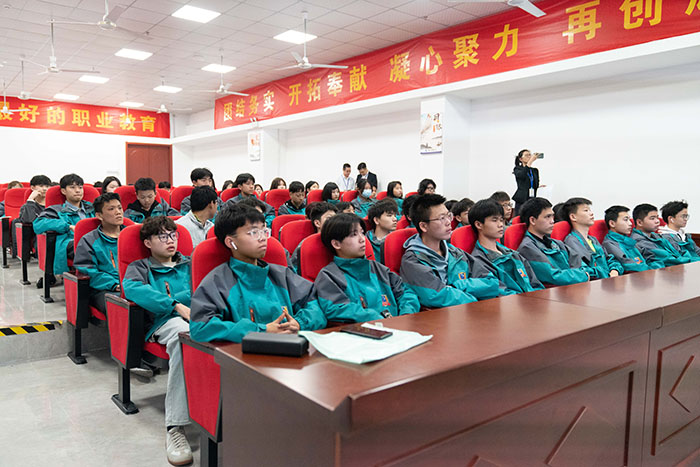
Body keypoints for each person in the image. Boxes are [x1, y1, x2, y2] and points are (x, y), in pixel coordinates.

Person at [189, 204, 326, 343]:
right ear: (231, 242)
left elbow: (316, 303)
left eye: (264, 231)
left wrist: (299, 323)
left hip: (294, 347)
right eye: (253, 232)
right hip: (243, 353)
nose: (263, 238)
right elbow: (201, 327)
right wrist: (260, 331)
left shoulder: (281, 275)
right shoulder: (217, 282)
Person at [122, 216, 193, 466]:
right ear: (148, 242)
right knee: (185, 337)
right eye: (163, 236)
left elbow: (205, 288)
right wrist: (175, 304)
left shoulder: (190, 263)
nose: (170, 240)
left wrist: (183, 299)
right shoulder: (139, 267)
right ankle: (175, 426)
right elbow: (133, 290)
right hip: (165, 322)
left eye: (173, 235)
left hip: (200, 317)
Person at [315, 213, 420, 322]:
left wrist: (406, 314)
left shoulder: (378, 269)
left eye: (362, 233)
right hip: (363, 330)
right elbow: (337, 308)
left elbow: (406, 293)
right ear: (336, 244)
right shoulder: (329, 276)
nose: (362, 239)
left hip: (398, 326)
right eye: (354, 234)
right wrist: (377, 319)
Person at [400, 194, 501, 307]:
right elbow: (436, 296)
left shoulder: (455, 253)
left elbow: (492, 282)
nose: (448, 222)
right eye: (442, 218)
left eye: (449, 216)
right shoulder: (413, 260)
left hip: (469, 311)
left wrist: (459, 285)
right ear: (424, 226)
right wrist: (475, 299)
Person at [469, 199, 544, 294]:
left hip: (532, 299)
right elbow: (500, 292)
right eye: (494, 220)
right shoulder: (479, 260)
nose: (500, 225)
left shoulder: (513, 254)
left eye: (501, 220)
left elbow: (535, 284)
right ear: (479, 224)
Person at [34, 174, 95, 280]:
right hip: (70, 241)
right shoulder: (56, 210)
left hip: (95, 239)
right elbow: (38, 224)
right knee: (87, 246)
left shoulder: (93, 208)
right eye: (72, 187)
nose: (78, 190)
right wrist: (68, 226)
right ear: (63, 191)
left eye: (80, 187)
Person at [516, 197, 590, 286]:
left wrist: (583, 273)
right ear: (532, 220)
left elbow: (581, 264)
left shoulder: (557, 243)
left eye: (552, 216)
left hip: (572, 287)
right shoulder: (527, 248)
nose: (552, 221)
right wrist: (583, 276)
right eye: (547, 217)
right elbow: (553, 276)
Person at [74, 193, 125, 314]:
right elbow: (88, 271)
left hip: (134, 285)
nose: (118, 212)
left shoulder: (132, 236)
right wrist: (114, 284)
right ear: (99, 215)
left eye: (119, 208)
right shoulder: (89, 240)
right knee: (123, 309)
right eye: (111, 209)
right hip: (105, 289)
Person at [561, 197, 623, 279]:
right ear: (573, 217)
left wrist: (614, 270)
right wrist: (606, 274)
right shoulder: (572, 241)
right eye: (586, 210)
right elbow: (583, 270)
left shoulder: (593, 240)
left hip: (608, 280)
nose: (591, 213)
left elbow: (610, 259)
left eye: (590, 210)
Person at [602, 205, 663, 272]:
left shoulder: (628, 240)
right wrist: (650, 269)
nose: (630, 223)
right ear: (612, 223)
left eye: (629, 219)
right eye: (626, 220)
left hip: (648, 272)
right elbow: (628, 265)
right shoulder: (610, 244)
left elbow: (650, 257)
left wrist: (655, 267)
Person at [289, 202, 337, 272]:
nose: (334, 222)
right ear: (317, 223)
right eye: (329, 218)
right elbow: (293, 271)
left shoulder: (341, 241)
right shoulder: (306, 245)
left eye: (335, 218)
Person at [366, 199, 398, 265]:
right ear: (376, 220)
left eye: (394, 216)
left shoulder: (397, 240)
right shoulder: (364, 240)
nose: (395, 219)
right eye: (389, 215)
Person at [512, 149, 541, 215]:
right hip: (522, 198)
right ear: (520, 159)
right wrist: (530, 162)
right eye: (526, 155)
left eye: (530, 155)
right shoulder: (517, 169)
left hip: (531, 198)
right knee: (520, 216)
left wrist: (538, 186)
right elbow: (522, 175)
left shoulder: (534, 170)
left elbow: (535, 183)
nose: (529, 156)